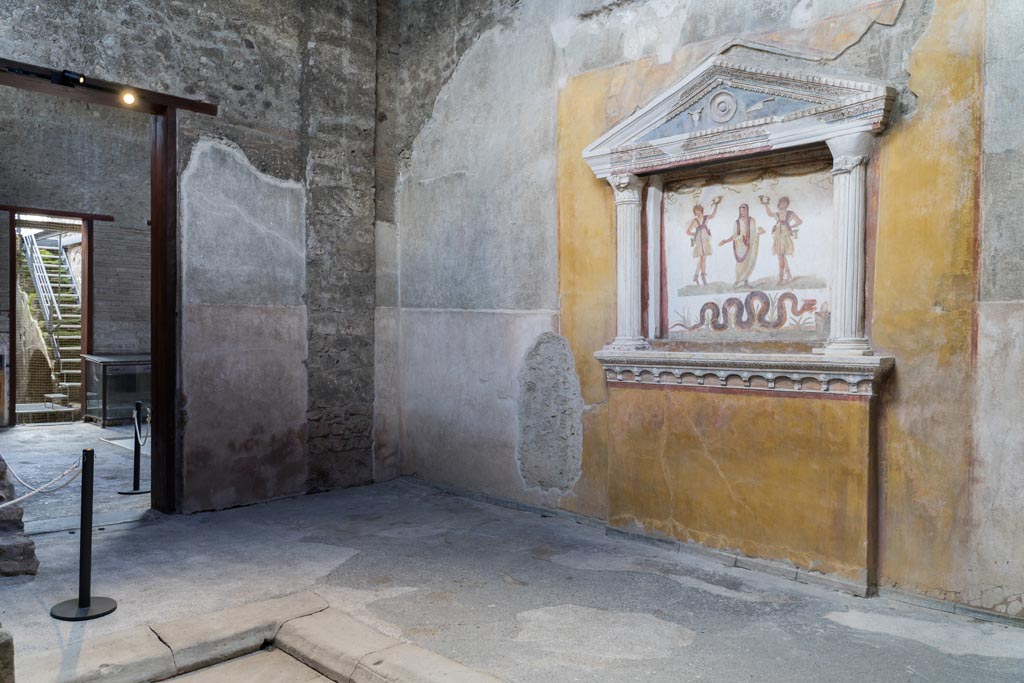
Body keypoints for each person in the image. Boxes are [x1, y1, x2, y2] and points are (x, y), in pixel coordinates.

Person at [759, 195, 803, 285]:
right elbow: (770, 214)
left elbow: (799, 221)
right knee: (781, 256)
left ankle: (781, 278)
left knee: (781, 256)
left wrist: (791, 226)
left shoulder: (790, 213)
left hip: (785, 236)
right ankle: (788, 273)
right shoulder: (778, 214)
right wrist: (765, 205)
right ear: (779, 204)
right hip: (778, 236)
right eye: (782, 203)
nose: (784, 205)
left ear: (787, 204)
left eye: (785, 203)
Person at [719, 203, 764, 287]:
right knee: (740, 264)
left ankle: (745, 282)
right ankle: (738, 281)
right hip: (740, 245)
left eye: (744, 210)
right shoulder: (737, 222)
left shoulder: (752, 220)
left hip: (750, 243)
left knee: (748, 262)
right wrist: (726, 241)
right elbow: (735, 235)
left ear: (747, 210)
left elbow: (753, 233)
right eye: (741, 211)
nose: (742, 212)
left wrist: (759, 233)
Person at [685, 196, 721, 285]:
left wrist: (716, 205)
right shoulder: (695, 221)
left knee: (702, 258)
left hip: (705, 240)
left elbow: (713, 215)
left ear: (701, 210)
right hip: (699, 240)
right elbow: (688, 231)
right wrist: (695, 234)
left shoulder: (706, 218)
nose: (697, 213)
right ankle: (703, 276)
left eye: (698, 211)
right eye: (695, 212)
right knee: (703, 258)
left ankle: (696, 276)